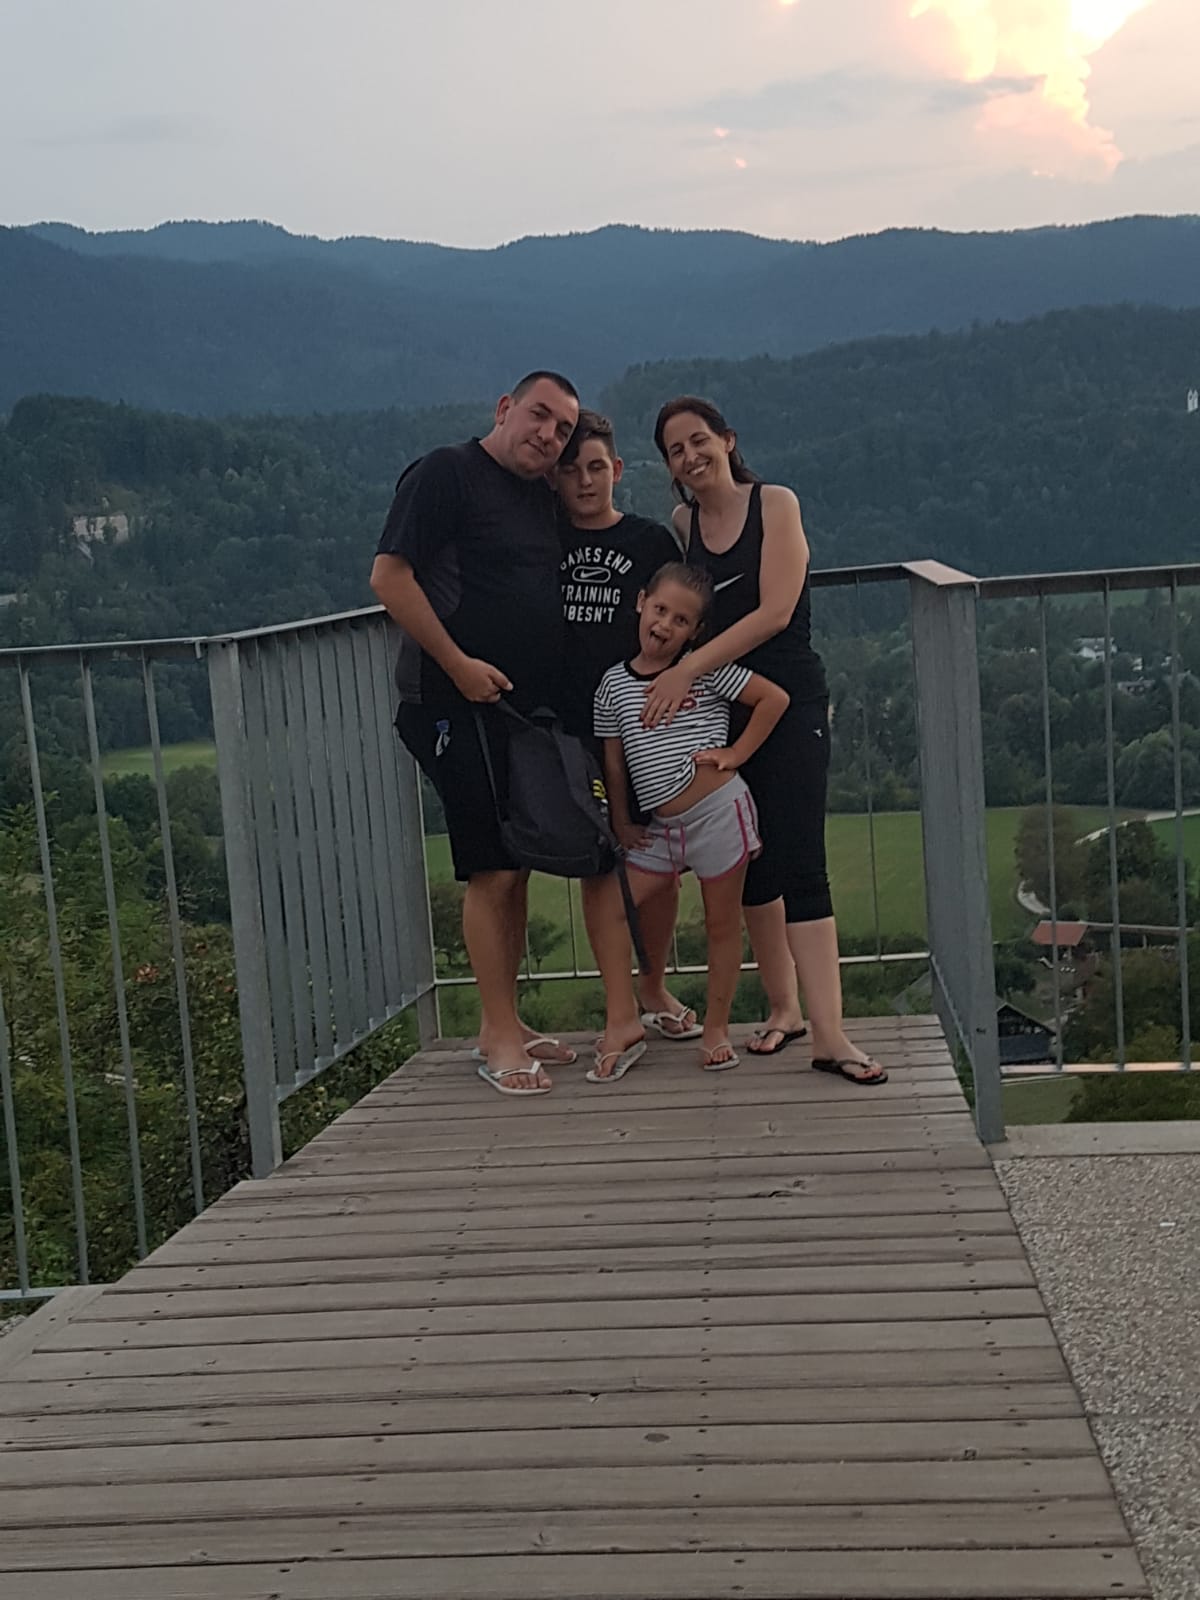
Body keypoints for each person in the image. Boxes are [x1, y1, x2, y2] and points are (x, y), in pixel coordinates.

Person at [645, 396, 887, 1086]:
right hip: (722, 713)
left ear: (727, 440)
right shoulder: (684, 525)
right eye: (676, 451)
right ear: (670, 468)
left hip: (791, 700)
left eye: (699, 440)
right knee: (748, 860)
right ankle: (785, 1010)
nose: (691, 456)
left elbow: (777, 610)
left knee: (802, 861)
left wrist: (688, 667)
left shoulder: (776, 504)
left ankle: (831, 1035)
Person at [369, 371, 580, 1098]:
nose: (548, 435)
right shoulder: (446, 473)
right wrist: (457, 666)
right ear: (504, 408)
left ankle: (507, 1021)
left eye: (561, 430)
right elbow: (389, 577)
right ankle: (495, 1038)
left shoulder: (536, 494)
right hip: (447, 701)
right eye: (539, 416)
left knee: (515, 863)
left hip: (512, 710)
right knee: (491, 866)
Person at [554, 411, 702, 1080]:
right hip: (569, 727)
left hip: (647, 725)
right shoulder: (544, 539)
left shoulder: (648, 540)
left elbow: (685, 618)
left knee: (659, 860)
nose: (584, 482)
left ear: (616, 470)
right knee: (599, 865)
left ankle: (653, 986)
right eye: (570, 470)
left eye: (596, 468)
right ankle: (619, 1012)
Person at [595, 563, 789, 1072]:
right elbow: (614, 763)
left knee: (721, 925)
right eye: (660, 610)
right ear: (641, 602)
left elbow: (774, 698)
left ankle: (717, 1029)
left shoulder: (705, 669)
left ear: (696, 633)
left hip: (720, 812)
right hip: (659, 831)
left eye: (680, 620)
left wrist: (737, 753)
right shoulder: (612, 684)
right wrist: (621, 822)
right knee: (610, 903)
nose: (664, 625)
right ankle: (628, 1009)